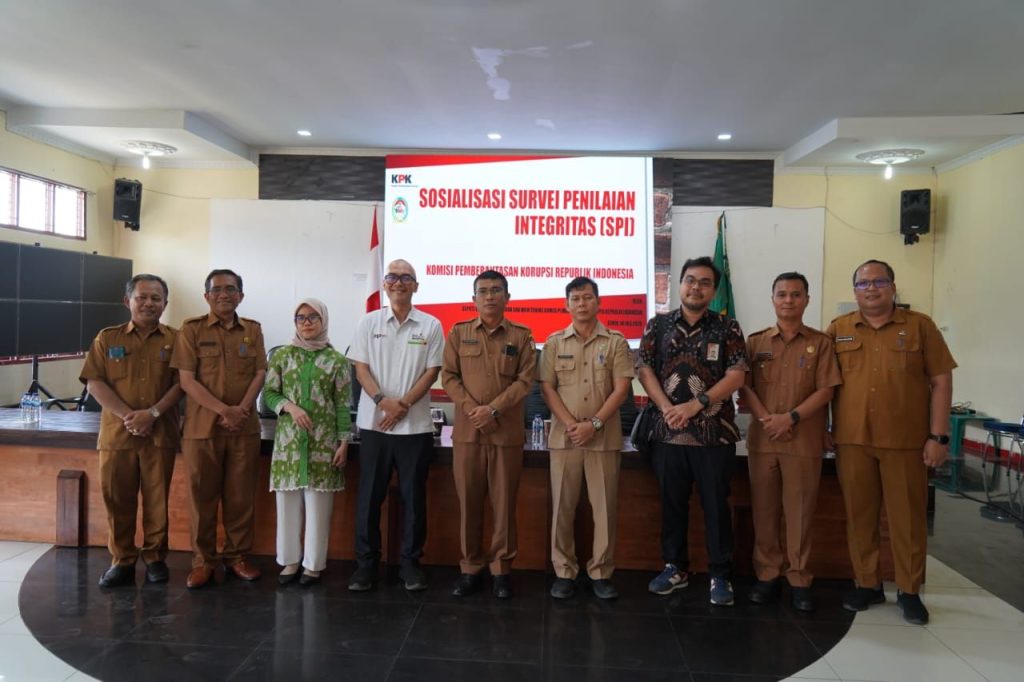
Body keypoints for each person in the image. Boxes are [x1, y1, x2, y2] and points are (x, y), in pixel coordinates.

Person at [828, 260, 955, 625]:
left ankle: (909, 590)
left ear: (893, 287)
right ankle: (867, 584)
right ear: (854, 291)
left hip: (906, 443)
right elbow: (824, 386)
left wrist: (939, 436)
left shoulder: (921, 327)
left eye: (879, 281)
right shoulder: (839, 329)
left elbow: (942, 382)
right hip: (852, 441)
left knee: (908, 520)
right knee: (860, 517)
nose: (871, 288)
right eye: (863, 283)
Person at [637, 256, 747, 606]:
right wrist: (669, 408)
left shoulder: (727, 328)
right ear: (679, 284)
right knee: (672, 505)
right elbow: (643, 370)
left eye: (703, 282)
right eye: (689, 280)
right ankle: (675, 567)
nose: (695, 287)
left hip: (713, 435)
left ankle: (720, 573)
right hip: (667, 434)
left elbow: (737, 375)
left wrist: (695, 405)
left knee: (716, 506)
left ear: (713, 290)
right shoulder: (658, 325)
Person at [739, 272, 841, 612]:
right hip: (764, 439)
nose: (788, 300)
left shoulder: (822, 343)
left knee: (799, 513)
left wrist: (790, 418)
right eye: (781, 294)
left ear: (806, 300)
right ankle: (767, 574)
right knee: (765, 512)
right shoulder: (755, 342)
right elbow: (744, 386)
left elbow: (826, 389)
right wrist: (769, 419)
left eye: (796, 294)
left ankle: (799, 578)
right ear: (772, 299)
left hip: (803, 440)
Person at [80, 274, 183, 587]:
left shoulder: (177, 339)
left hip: (160, 433)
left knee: (156, 500)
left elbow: (183, 383)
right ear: (128, 301)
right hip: (117, 435)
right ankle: (122, 560)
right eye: (142, 297)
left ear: (165, 304)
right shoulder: (107, 338)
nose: (149, 303)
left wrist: (151, 414)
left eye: (156, 298)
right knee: (118, 499)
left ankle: (154, 559)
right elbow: (95, 382)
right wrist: (129, 416)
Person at [346, 259, 443, 592]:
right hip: (375, 426)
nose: (398, 282)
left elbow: (432, 372)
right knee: (369, 497)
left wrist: (401, 406)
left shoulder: (430, 325)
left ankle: (410, 564)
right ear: (385, 285)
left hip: (414, 428)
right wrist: (382, 402)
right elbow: (361, 369)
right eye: (392, 277)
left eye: (406, 278)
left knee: (413, 499)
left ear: (416, 286)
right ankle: (366, 566)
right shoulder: (368, 322)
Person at [442, 269, 536, 599]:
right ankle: (470, 568)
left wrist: (492, 409)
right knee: (468, 503)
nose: (490, 296)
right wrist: (473, 409)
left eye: (497, 290)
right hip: (468, 433)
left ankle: (501, 570)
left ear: (508, 297)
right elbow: (449, 377)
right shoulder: (459, 332)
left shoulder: (522, 336)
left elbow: (525, 381)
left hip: (505, 433)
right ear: (474, 299)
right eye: (483, 291)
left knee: (504, 503)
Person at [171, 269, 267, 589]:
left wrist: (240, 411)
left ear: (241, 295)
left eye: (230, 289)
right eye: (217, 290)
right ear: (206, 296)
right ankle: (203, 561)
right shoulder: (191, 329)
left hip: (243, 429)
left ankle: (237, 557)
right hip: (202, 429)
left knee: (240, 498)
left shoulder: (252, 330)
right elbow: (186, 380)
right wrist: (223, 410)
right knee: (202, 499)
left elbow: (259, 374)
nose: (224, 294)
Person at [540, 277, 633, 600]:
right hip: (565, 439)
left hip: (603, 438)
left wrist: (593, 424)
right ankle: (564, 571)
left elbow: (622, 388)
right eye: (576, 299)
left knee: (604, 509)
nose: (582, 304)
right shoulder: (554, 343)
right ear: (566, 305)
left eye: (588, 298)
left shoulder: (616, 342)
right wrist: (570, 424)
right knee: (562, 509)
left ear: (598, 302)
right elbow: (547, 387)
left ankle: (601, 572)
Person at [262, 299, 351, 587]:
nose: (307, 322)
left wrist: (343, 442)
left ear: (323, 320)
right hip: (289, 443)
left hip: (322, 443)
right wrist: (290, 406)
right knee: (286, 505)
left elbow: (342, 405)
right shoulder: (282, 356)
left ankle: (313, 565)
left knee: (318, 506)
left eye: (313, 317)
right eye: (301, 318)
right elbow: (270, 394)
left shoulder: (336, 360)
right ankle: (289, 561)